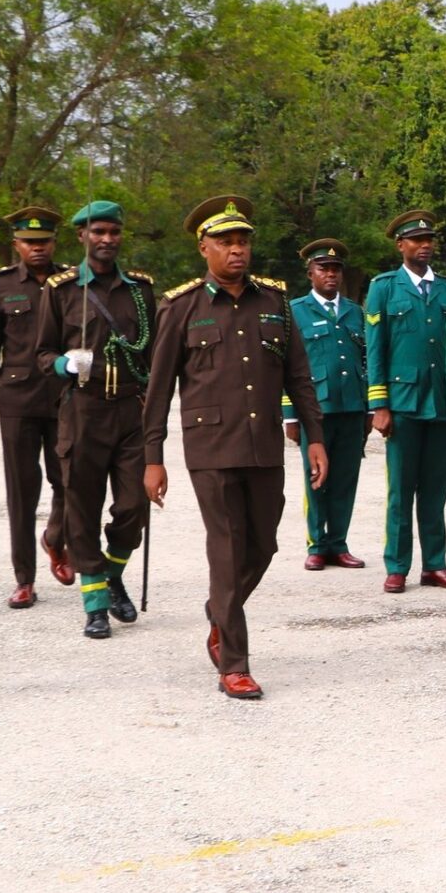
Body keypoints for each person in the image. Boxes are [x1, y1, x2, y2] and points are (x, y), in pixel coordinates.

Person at [142, 195, 326, 700]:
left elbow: (299, 377)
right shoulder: (181, 308)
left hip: (264, 443)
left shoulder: (274, 303)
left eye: (243, 240)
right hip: (211, 448)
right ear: (204, 248)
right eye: (225, 242)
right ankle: (234, 663)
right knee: (225, 550)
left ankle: (219, 611)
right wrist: (153, 459)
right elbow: (158, 391)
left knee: (263, 543)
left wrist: (316, 438)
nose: (237, 250)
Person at [36, 200, 155, 640]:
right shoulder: (62, 289)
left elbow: (154, 352)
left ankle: (113, 571)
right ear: (82, 236)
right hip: (82, 409)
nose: (107, 240)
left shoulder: (140, 291)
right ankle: (95, 603)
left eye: (113, 232)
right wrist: (64, 364)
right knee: (81, 507)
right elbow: (41, 354)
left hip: (130, 409)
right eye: (98, 232)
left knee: (133, 504)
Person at [365, 209, 446, 594]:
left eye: (429, 241)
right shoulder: (384, 288)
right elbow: (375, 350)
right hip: (403, 403)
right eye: (416, 241)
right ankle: (397, 565)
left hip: (440, 403)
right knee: (400, 491)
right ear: (400, 245)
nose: (425, 247)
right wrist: (380, 405)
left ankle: (435, 564)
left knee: (436, 490)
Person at [0, 205, 72, 608]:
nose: (37, 248)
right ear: (16, 245)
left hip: (66, 398)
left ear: (54, 242)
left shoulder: (72, 282)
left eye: (44, 241)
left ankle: (55, 537)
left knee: (70, 479)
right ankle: (25, 579)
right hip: (18, 400)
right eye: (29, 242)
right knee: (21, 492)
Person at [283, 239, 369, 571]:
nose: (331, 274)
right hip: (314, 409)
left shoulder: (354, 311)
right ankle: (317, 543)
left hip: (351, 406)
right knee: (316, 476)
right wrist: (289, 415)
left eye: (335, 269)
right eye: (324, 269)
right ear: (311, 273)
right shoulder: (295, 311)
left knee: (346, 476)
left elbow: (365, 359)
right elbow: (286, 369)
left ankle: (339, 543)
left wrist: (369, 408)